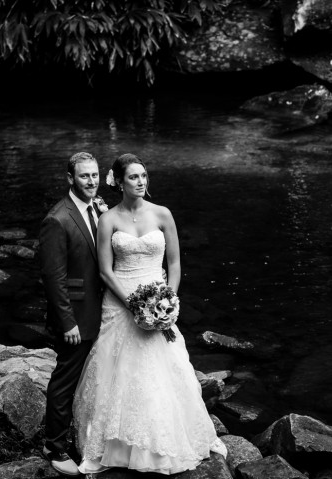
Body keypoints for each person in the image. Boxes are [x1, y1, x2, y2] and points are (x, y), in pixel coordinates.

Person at [72, 153, 226, 475]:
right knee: (118, 370)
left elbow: (174, 264)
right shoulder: (109, 220)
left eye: (143, 176)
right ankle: (114, 445)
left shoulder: (162, 214)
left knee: (162, 368)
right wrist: (132, 303)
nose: (141, 182)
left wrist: (168, 301)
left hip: (158, 297)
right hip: (120, 301)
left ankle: (165, 439)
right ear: (119, 181)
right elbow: (104, 271)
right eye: (133, 177)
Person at [39, 152, 105, 476]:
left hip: (101, 312)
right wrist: (68, 323)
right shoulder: (57, 219)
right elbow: (54, 278)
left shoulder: (96, 209)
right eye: (84, 176)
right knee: (65, 381)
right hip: (76, 318)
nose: (91, 181)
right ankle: (54, 445)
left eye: (94, 175)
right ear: (70, 179)